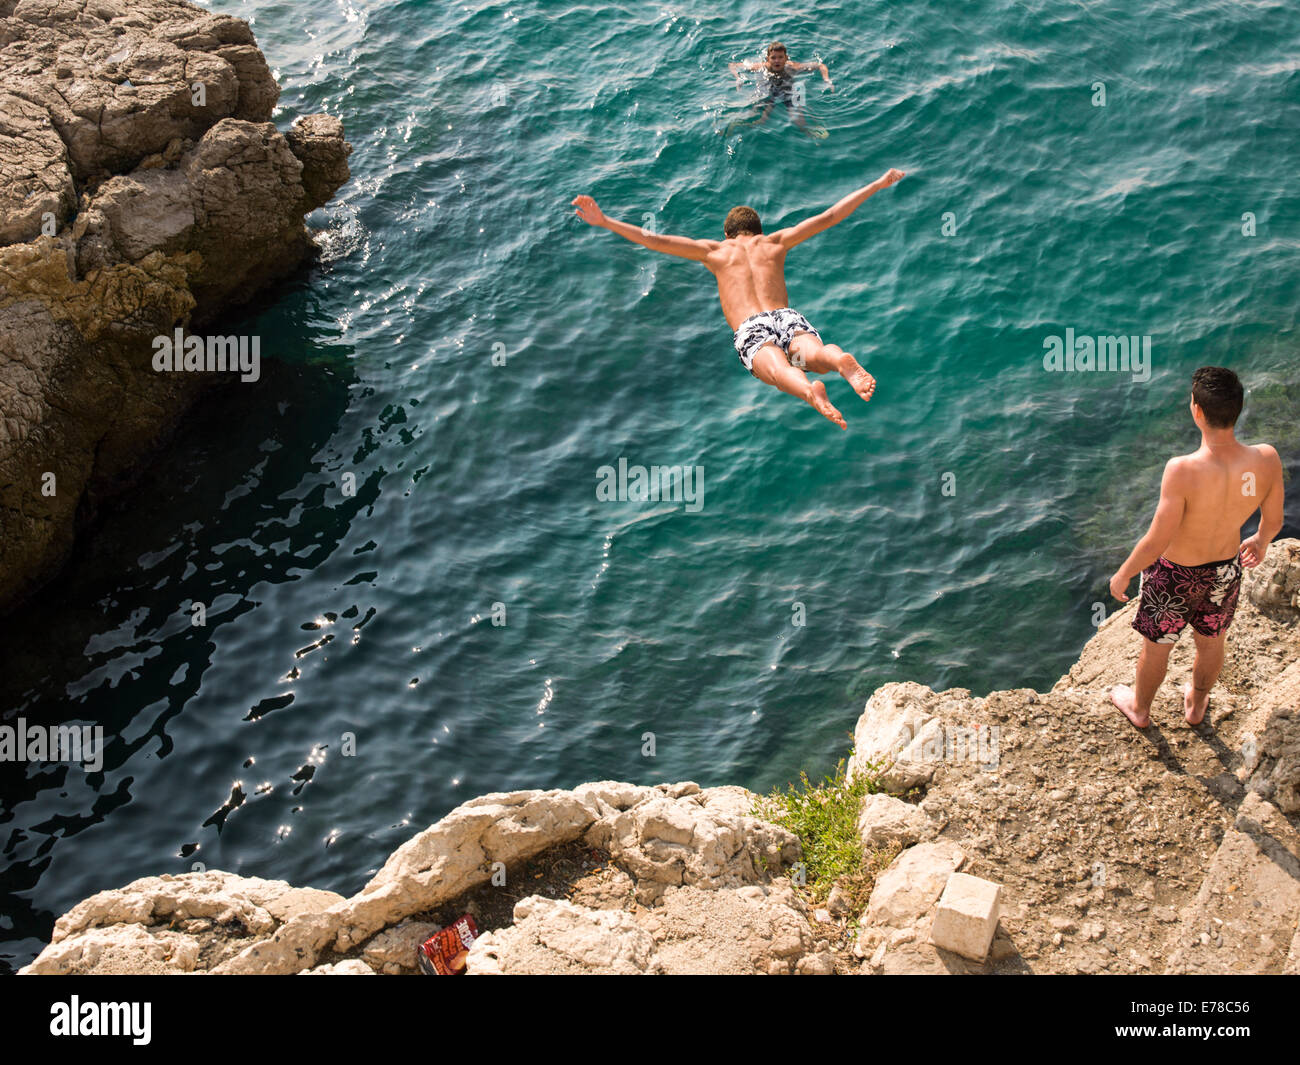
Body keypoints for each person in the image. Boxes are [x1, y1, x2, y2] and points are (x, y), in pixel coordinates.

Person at [571, 169, 905, 429]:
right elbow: (830, 216)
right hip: (785, 316)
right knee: (810, 354)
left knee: (777, 370)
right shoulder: (775, 242)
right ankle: (836, 361)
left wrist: (605, 221)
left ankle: (809, 392)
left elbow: (655, 241)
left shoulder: (714, 250)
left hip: (752, 328)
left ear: (728, 235)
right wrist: (877, 184)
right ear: (759, 230)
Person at [1108, 366, 1284, 727]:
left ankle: (1141, 709)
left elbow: (1157, 540)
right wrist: (1261, 541)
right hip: (1225, 570)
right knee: (1211, 641)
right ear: (1238, 407)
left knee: (1157, 648)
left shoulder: (1182, 469)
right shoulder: (1266, 458)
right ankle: (1197, 704)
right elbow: (1274, 521)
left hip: (1174, 576)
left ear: (1197, 411)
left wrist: (1123, 573)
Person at [726, 41, 832, 136]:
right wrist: (738, 78)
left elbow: (820, 66)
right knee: (760, 120)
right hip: (767, 93)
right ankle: (734, 125)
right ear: (768, 58)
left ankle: (812, 135)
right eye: (773, 57)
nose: (777, 61)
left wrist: (827, 80)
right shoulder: (760, 67)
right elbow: (733, 65)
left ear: (786, 58)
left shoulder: (792, 66)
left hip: (787, 93)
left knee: (799, 122)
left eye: (781, 57)